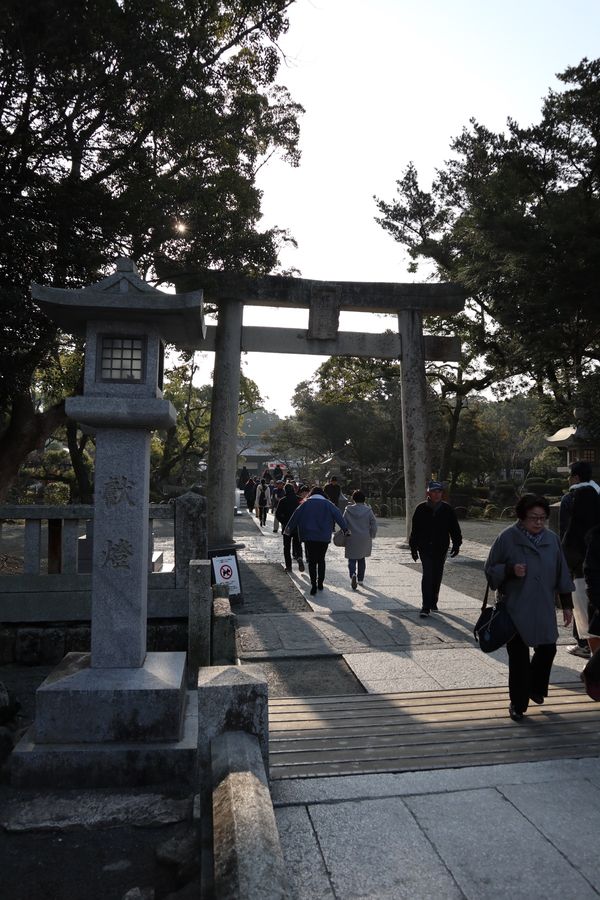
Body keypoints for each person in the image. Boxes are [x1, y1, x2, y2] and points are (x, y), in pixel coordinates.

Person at [485, 494, 574, 722]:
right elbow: (490, 569)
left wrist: (567, 605)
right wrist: (510, 570)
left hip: (543, 607)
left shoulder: (552, 539)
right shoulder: (507, 538)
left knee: (548, 649)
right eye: (534, 517)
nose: (539, 522)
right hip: (515, 608)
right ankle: (518, 703)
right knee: (519, 660)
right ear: (522, 517)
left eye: (543, 518)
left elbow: (562, 572)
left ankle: (535, 687)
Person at [559, 460, 600, 658]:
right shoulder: (597, 493)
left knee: (580, 605)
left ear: (575, 477)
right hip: (596, 557)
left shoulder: (570, 498)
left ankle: (584, 646)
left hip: (577, 559)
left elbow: (564, 530)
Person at [409, 480, 462, 617]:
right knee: (428, 574)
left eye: (439, 491)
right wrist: (413, 547)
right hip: (425, 546)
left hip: (441, 546)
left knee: (437, 574)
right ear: (429, 493)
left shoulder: (447, 509)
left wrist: (457, 544)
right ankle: (425, 606)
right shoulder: (421, 508)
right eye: (434, 491)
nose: (437, 494)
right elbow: (415, 530)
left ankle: (433, 600)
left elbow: (454, 528)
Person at [284, 486, 349, 595]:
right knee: (321, 559)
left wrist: (288, 529)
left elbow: (295, 516)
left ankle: (313, 584)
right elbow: (338, 516)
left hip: (309, 536)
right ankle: (320, 583)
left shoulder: (305, 504)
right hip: (324, 536)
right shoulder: (328, 504)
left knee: (312, 560)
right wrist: (345, 529)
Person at [342, 490, 377, 589]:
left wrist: (345, 532)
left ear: (353, 499)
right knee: (361, 559)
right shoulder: (368, 510)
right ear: (364, 499)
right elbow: (374, 524)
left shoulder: (348, 510)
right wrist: (372, 534)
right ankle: (360, 579)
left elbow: (343, 522)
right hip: (364, 537)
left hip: (351, 536)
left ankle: (352, 574)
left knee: (351, 559)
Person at [275, 483, 305, 572]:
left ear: (285, 490)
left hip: (287, 527)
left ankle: (289, 567)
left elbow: (277, 514)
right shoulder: (300, 499)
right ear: (293, 490)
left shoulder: (283, 500)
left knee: (286, 547)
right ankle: (299, 557)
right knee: (298, 544)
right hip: (297, 527)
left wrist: (283, 521)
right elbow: (304, 512)